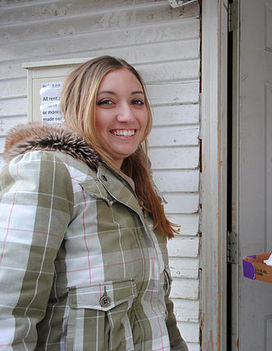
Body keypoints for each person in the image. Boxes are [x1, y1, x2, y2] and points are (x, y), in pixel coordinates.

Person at [0, 56, 188, 350]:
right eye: (106, 102)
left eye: (137, 102)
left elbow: (159, 307)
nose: (127, 116)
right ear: (79, 108)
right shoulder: (51, 172)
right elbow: (9, 312)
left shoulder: (136, 187)